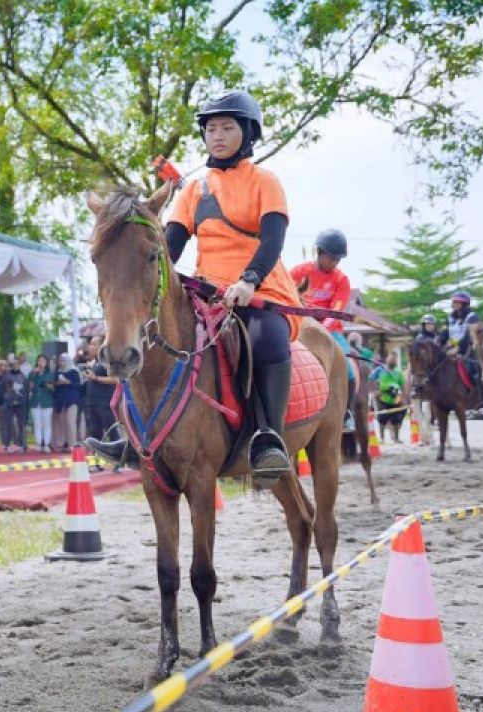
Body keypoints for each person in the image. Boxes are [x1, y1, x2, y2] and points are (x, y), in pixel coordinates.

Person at [94, 90, 301, 487]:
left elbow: (272, 242)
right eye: (211, 129)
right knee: (147, 335)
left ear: (248, 132)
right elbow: (169, 246)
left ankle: (267, 437)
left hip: (260, 291)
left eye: (227, 128)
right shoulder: (193, 190)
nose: (217, 136)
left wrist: (249, 281)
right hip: (207, 292)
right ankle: (129, 432)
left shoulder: (265, 182)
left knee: (266, 338)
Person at [290, 229, 355, 430]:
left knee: (349, 368)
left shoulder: (341, 280)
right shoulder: (298, 273)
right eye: (331, 257)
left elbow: (336, 308)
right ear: (319, 252)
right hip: (299, 325)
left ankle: (347, 412)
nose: (334, 263)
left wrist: (321, 329)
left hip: (330, 329)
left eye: (338, 259)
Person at [370, 352, 407, 442]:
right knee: (382, 418)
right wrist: (375, 391)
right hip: (383, 397)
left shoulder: (399, 373)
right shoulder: (379, 370)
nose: (392, 360)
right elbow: (370, 379)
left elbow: (403, 386)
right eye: (391, 358)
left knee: (396, 419)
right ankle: (382, 438)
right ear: (387, 359)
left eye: (394, 359)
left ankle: (396, 438)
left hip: (395, 398)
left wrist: (403, 397)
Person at [53, 354, 81, 451]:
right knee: (62, 423)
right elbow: (54, 387)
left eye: (63, 360)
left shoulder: (74, 371)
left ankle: (72, 444)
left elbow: (78, 385)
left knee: (70, 422)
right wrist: (57, 384)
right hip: (61, 400)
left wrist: (68, 382)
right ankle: (63, 443)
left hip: (72, 399)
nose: (61, 362)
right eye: (60, 360)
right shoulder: (57, 372)